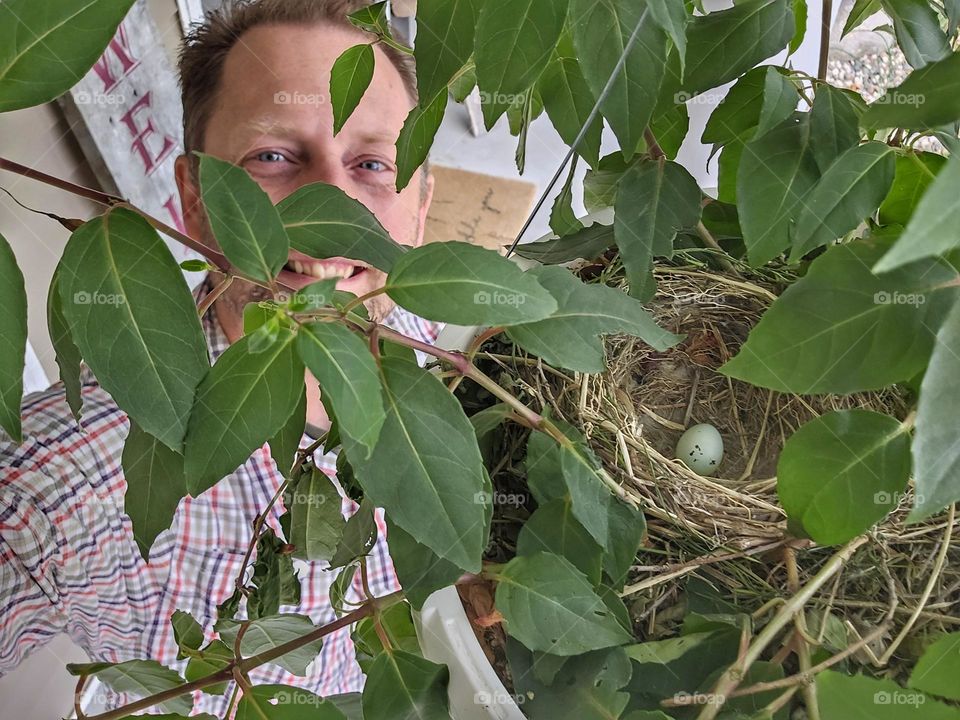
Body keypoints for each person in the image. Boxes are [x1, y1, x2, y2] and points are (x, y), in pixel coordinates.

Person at [0, 0, 436, 714]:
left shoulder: (482, 376)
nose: (330, 211)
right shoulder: (60, 485)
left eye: (372, 163)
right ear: (196, 199)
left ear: (420, 204)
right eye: (272, 157)